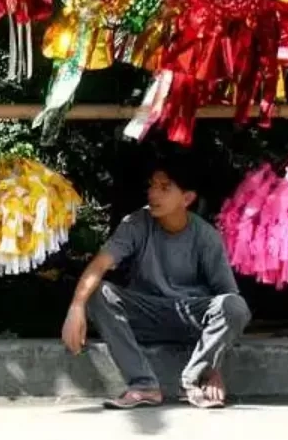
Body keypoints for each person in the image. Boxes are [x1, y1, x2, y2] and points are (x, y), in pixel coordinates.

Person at [60, 157, 251, 409]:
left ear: (187, 198)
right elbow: (99, 265)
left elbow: (229, 304)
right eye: (152, 186)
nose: (153, 193)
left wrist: (211, 368)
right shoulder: (136, 223)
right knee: (98, 292)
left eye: (164, 187)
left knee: (235, 305)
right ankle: (143, 386)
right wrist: (76, 307)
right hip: (146, 314)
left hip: (191, 319)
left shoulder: (205, 236)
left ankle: (194, 379)